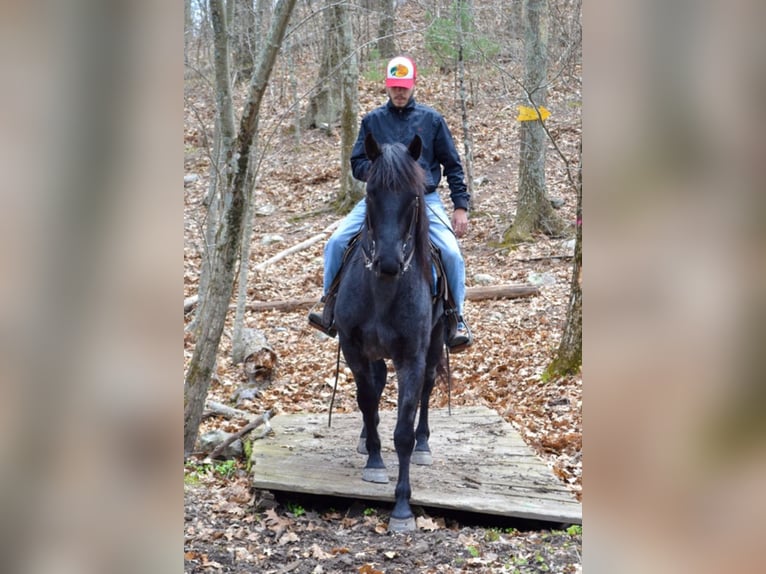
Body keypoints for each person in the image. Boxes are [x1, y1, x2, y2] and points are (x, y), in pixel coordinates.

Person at [308, 55, 473, 351]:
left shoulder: (431, 120)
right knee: (335, 242)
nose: (400, 92)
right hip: (380, 199)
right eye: (395, 86)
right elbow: (357, 161)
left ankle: (455, 317)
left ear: (414, 85)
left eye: (404, 87)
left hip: (423, 199)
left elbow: (452, 164)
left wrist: (460, 205)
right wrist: (382, 176)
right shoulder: (372, 121)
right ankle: (328, 304)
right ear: (387, 86)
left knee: (450, 252)